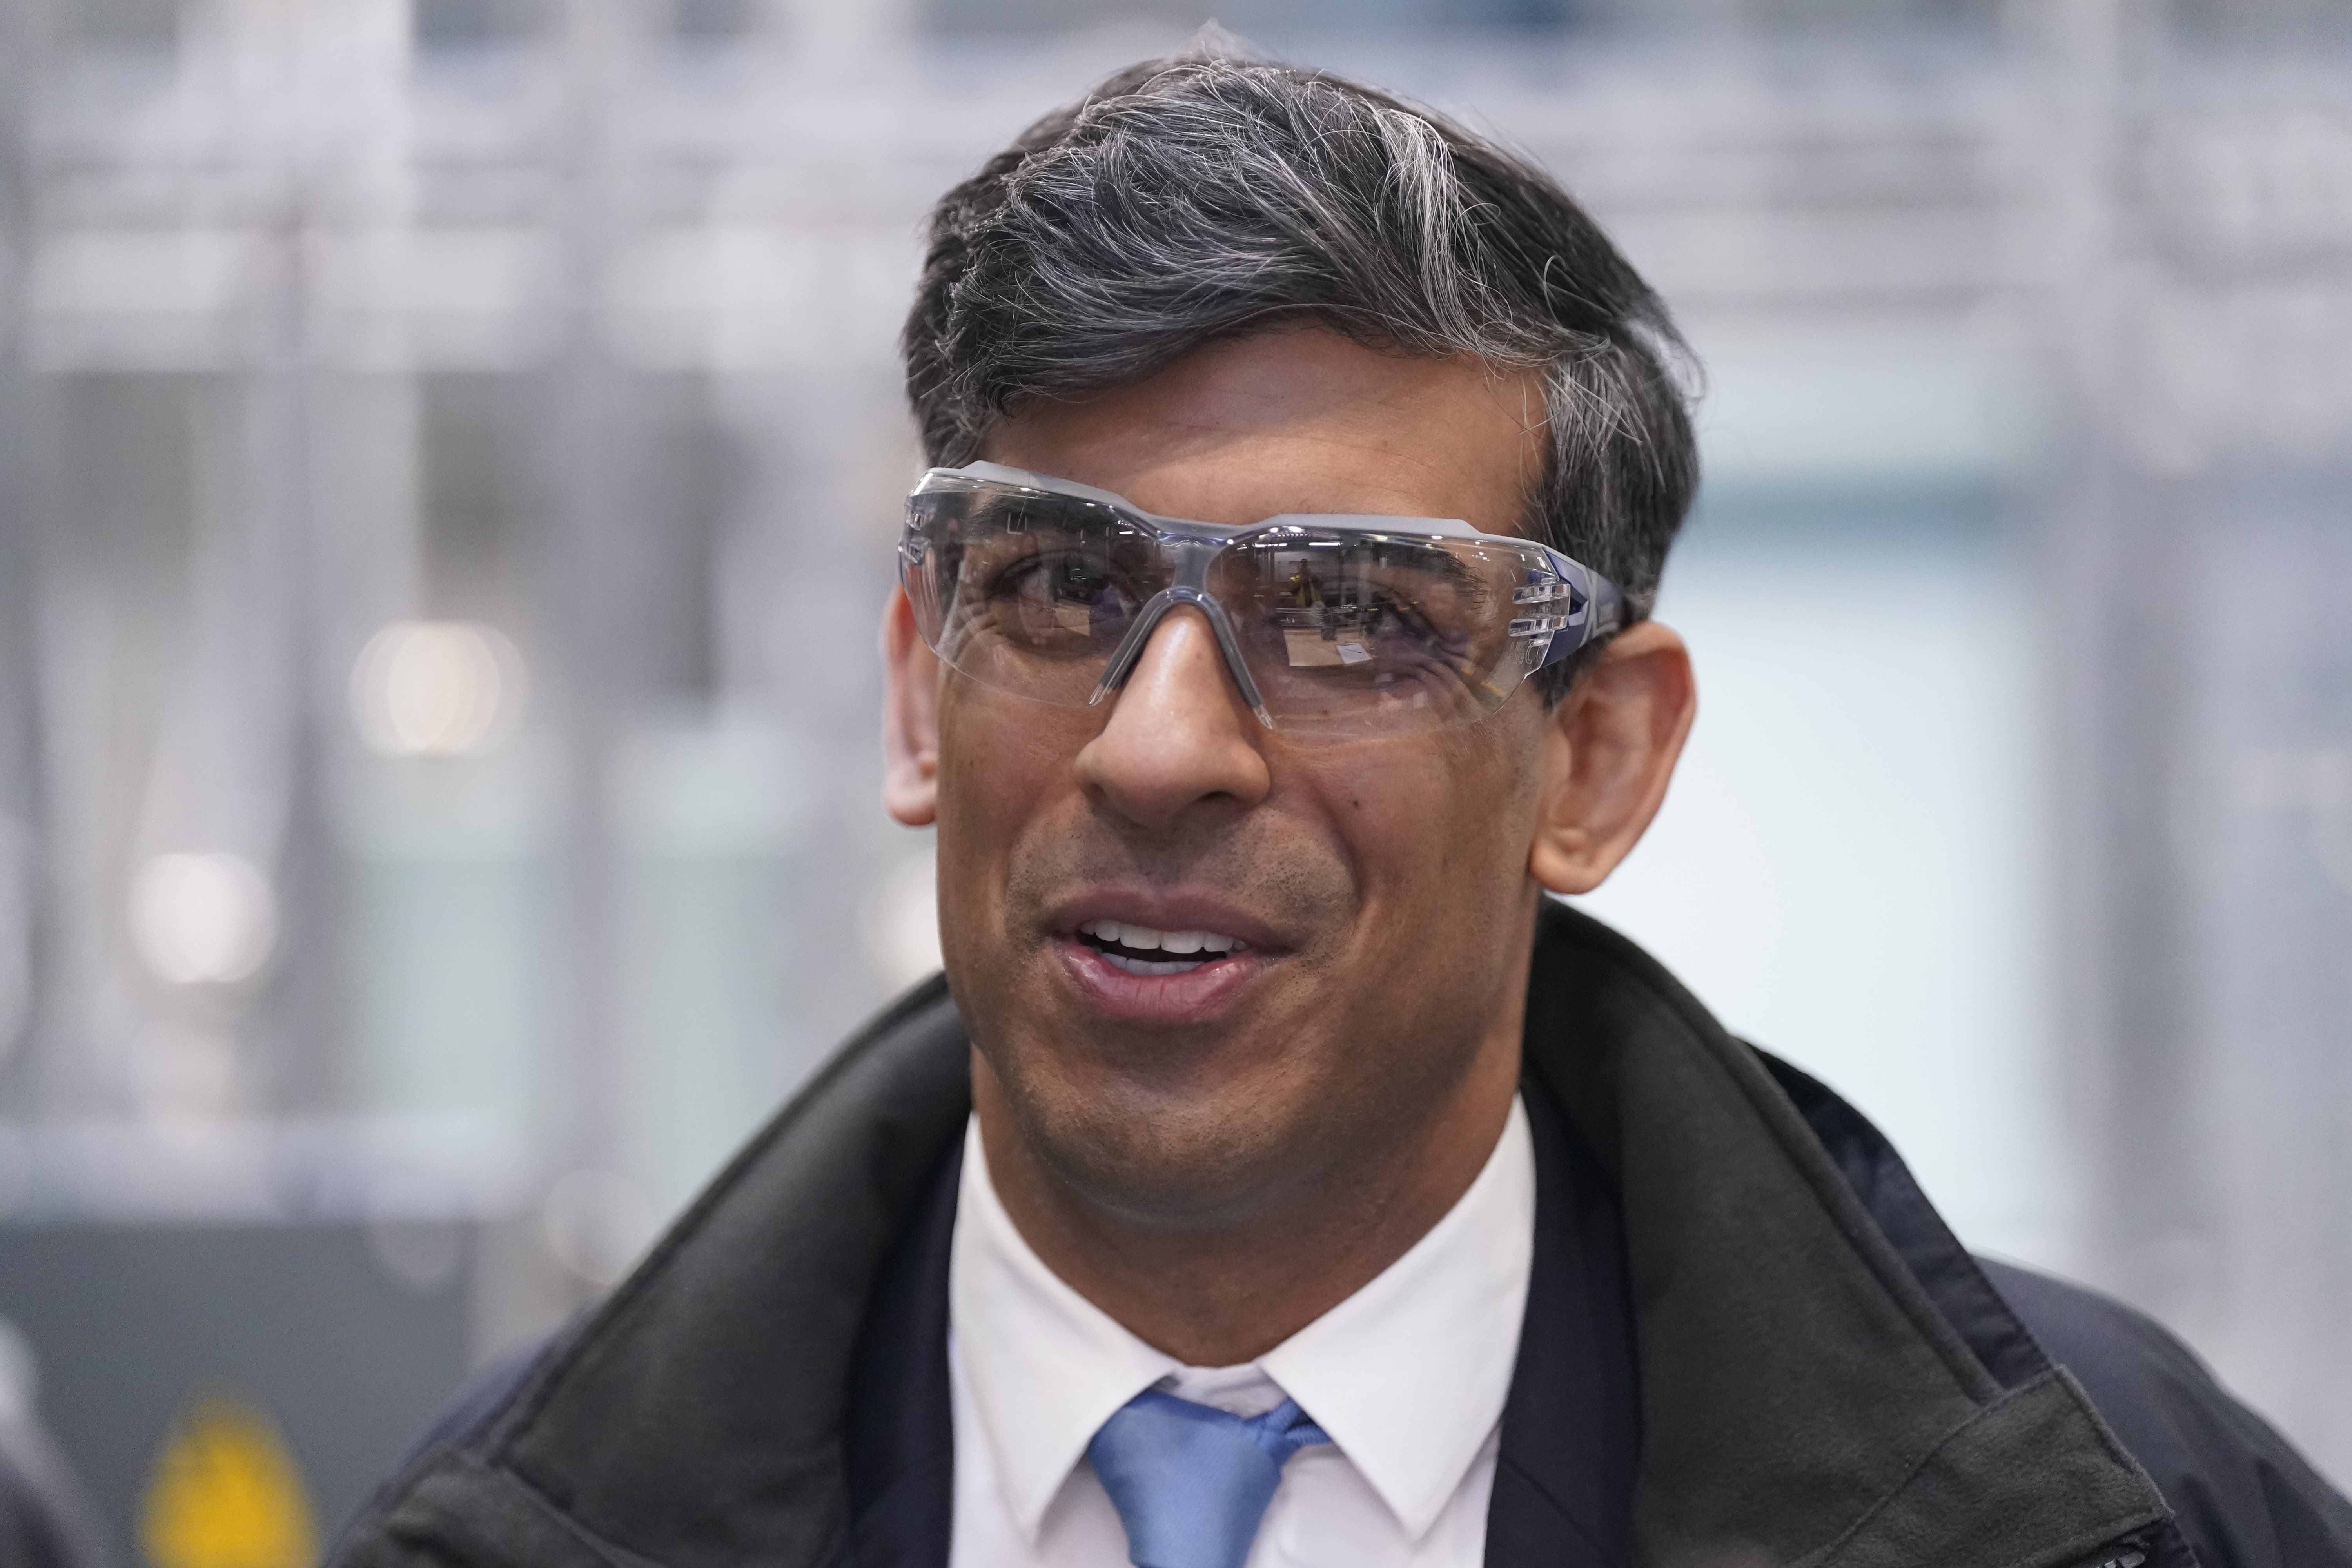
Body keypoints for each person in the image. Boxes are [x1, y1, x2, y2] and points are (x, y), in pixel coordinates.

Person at [332, 48, 2352, 1568]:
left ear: (1597, 760)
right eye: (1055, 587)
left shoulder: (2130, 1517)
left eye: (1355, 617)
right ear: (912, 688)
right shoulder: (522, 1526)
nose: (1160, 747)